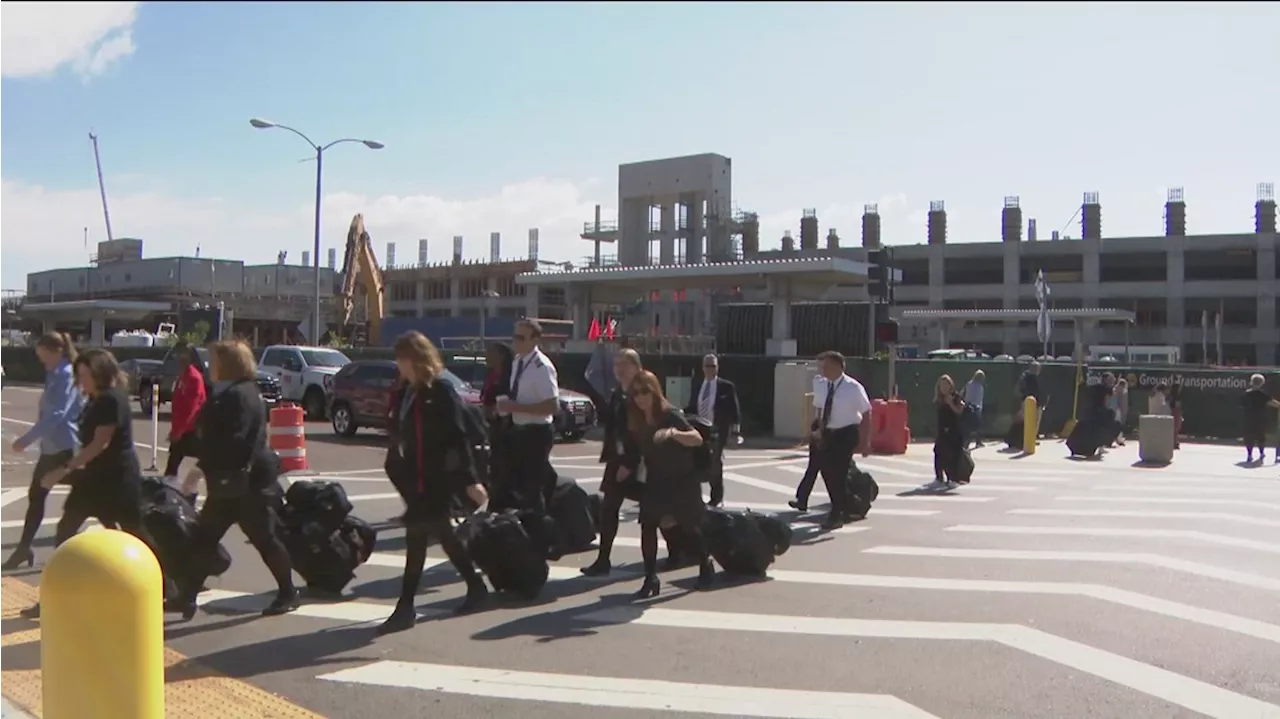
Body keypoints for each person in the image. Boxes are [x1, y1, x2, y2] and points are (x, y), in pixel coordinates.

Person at [17, 348, 168, 619]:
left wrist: (63, 471)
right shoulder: (95, 399)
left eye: (86, 375)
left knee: (134, 533)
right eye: (79, 375)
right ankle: (56, 596)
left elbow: (100, 444)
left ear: (101, 373)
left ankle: (166, 585)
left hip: (117, 479)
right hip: (94, 480)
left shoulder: (111, 400)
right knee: (65, 532)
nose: (81, 381)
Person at [166, 340, 299, 620]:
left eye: (214, 360)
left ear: (227, 364)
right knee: (205, 537)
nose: (209, 365)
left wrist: (201, 466)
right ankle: (187, 596)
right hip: (229, 481)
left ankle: (288, 592)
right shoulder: (231, 391)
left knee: (264, 538)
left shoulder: (240, 395)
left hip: (247, 483)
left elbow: (235, 441)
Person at [379, 331, 489, 635]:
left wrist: (470, 480)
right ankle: (476, 586)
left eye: (401, 358)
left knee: (417, 539)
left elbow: (458, 436)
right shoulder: (408, 390)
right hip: (416, 477)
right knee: (444, 534)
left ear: (415, 359)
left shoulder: (440, 390)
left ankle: (405, 607)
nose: (398, 365)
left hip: (436, 478)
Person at [581, 349, 684, 576]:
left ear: (636, 367)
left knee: (659, 511)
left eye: (624, 364)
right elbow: (616, 426)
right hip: (618, 458)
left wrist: (631, 462)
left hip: (641, 462)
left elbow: (643, 430)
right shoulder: (618, 392)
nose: (618, 369)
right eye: (616, 364)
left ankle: (678, 551)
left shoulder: (642, 391)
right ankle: (603, 559)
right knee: (609, 508)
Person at [627, 370, 714, 599]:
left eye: (645, 391)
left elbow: (696, 438)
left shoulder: (670, 414)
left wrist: (674, 433)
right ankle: (650, 578)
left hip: (681, 480)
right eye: (636, 393)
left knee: (689, 527)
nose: (640, 397)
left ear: (654, 391)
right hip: (656, 480)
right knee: (648, 525)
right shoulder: (638, 418)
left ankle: (706, 563)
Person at [2, 333, 83, 572]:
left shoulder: (66, 375)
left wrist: (26, 440)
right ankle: (24, 547)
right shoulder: (55, 373)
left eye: (43, 355)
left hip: (65, 447)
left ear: (56, 350)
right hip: (53, 447)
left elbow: (56, 415)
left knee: (91, 497)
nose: (41, 361)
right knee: (37, 496)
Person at [495, 319, 559, 513]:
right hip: (519, 430)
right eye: (515, 337)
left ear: (535, 340)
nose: (516, 342)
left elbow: (552, 405)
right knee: (517, 486)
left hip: (537, 432)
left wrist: (516, 407)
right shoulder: (518, 361)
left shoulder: (542, 367)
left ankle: (539, 534)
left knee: (532, 490)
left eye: (521, 338)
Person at [811, 351, 873, 529]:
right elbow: (819, 409)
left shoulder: (853, 387)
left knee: (839, 472)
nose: (823, 369)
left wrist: (866, 441)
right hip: (828, 433)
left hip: (846, 433)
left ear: (839, 366)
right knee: (827, 472)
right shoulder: (822, 385)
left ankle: (836, 513)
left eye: (827, 366)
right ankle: (847, 505)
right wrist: (817, 431)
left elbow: (867, 413)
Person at [684, 354, 740, 507]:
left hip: (717, 431)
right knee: (697, 462)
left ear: (717, 367)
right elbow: (692, 406)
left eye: (713, 366)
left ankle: (717, 497)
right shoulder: (697, 385)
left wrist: (735, 433)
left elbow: (735, 411)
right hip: (699, 429)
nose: (710, 369)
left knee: (715, 463)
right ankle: (694, 496)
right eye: (707, 366)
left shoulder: (726, 387)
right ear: (703, 368)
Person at [166, 344, 207, 503]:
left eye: (182, 356)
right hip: (181, 428)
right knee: (173, 463)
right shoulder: (182, 377)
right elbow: (178, 405)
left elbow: (191, 408)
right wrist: (174, 429)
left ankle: (190, 493)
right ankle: (170, 494)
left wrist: (179, 431)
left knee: (205, 461)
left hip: (192, 429)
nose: (178, 359)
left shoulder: (194, 378)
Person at [788, 371, 828, 512]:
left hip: (834, 429)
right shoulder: (820, 383)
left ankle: (842, 502)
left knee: (834, 471)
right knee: (813, 467)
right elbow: (818, 408)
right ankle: (802, 499)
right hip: (820, 426)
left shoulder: (843, 387)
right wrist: (813, 430)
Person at [933, 374, 969, 488]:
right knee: (938, 453)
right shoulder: (939, 399)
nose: (943, 387)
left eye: (946, 385)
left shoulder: (955, 397)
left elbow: (960, 411)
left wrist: (951, 403)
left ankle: (952, 478)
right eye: (941, 385)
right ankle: (939, 478)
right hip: (942, 431)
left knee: (953, 456)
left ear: (950, 386)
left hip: (954, 431)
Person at [1241, 374, 1279, 464]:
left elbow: (1242, 404)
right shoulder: (1263, 395)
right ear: (1262, 383)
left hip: (1248, 417)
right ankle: (1261, 453)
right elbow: (1274, 403)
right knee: (1260, 436)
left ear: (1251, 382)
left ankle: (1249, 454)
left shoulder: (1246, 394)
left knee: (1249, 436)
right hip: (1260, 418)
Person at [1005, 362, 1042, 450]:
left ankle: (1016, 439)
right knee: (1026, 421)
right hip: (1029, 402)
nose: (1039, 371)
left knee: (1024, 420)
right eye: (1038, 368)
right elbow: (1034, 391)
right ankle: (1015, 439)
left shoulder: (1025, 376)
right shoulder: (1030, 378)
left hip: (1026, 401)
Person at [962, 370, 985, 449]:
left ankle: (971, 442)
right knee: (977, 425)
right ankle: (976, 442)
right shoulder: (980, 387)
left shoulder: (969, 384)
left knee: (968, 426)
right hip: (976, 407)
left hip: (967, 406)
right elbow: (979, 399)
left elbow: (963, 392)